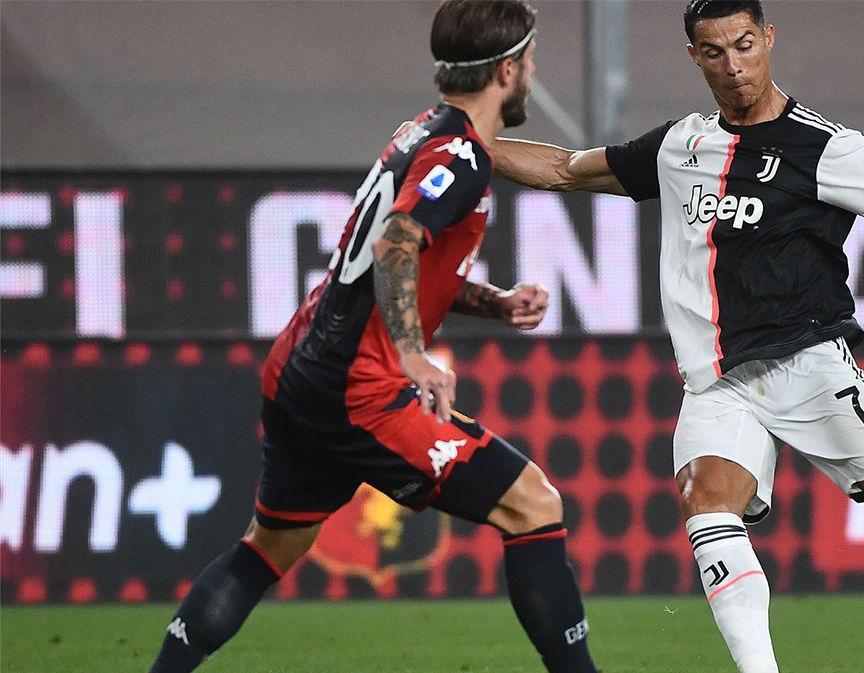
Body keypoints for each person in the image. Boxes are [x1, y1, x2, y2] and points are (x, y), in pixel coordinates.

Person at [491, 1, 864, 672]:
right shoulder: (681, 145)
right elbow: (567, 167)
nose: (734, 65)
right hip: (717, 382)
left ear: (768, 40)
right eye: (715, 51)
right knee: (707, 502)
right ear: (695, 58)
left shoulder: (829, 148)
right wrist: (462, 141)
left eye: (744, 44)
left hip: (811, 367)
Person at [148, 2, 599, 672]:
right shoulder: (462, 156)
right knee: (534, 503)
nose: (532, 75)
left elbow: (401, 264)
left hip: (299, 366)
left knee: (267, 548)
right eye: (529, 64)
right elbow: (396, 243)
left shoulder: (417, 132)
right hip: (359, 388)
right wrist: (414, 354)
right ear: (507, 70)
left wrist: (495, 303)